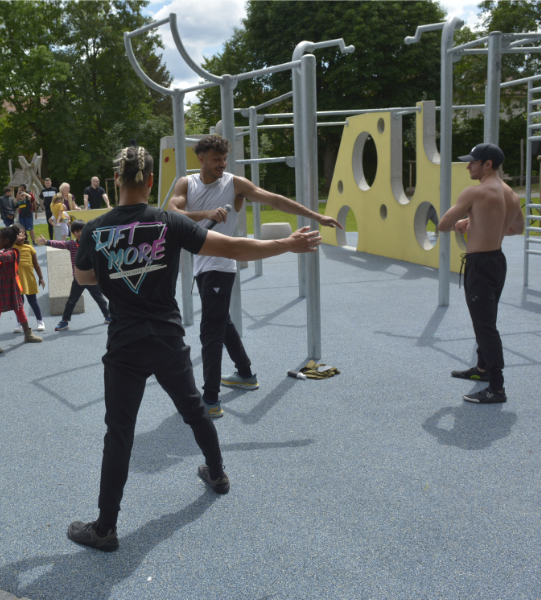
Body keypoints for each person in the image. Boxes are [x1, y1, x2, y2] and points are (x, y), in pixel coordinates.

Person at [66, 145, 323, 551]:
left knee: (119, 433)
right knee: (194, 410)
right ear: (152, 180)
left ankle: (105, 528)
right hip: (167, 339)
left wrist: (114, 266)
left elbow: (83, 278)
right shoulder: (169, 222)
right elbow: (232, 247)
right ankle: (217, 474)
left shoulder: (95, 230)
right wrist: (287, 244)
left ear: (116, 180)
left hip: (125, 346)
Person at [168, 135, 343, 418]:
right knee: (221, 321)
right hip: (202, 265)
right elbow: (172, 212)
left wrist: (316, 216)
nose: (222, 164)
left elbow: (275, 200)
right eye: (216, 160)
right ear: (200, 159)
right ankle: (246, 374)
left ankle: (210, 400)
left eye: (225, 159)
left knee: (210, 332)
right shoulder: (186, 183)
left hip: (221, 265)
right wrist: (206, 213)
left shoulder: (234, 184)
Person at [438, 143, 524, 404]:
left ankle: (497, 388)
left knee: (485, 325)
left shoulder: (475, 192)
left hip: (480, 265)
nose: (468, 166)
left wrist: (462, 220)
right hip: (497, 261)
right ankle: (483, 368)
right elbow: (516, 228)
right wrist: (476, 222)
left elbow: (443, 225)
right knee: (485, 319)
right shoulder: (511, 194)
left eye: (473, 162)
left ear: (488, 164)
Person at [36, 219, 111, 331]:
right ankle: (65, 321)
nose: (79, 233)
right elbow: (60, 244)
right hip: (78, 278)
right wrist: (47, 242)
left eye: (81, 230)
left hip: (91, 277)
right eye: (76, 231)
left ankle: (108, 316)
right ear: (73, 233)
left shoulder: (92, 243)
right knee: (72, 300)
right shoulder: (71, 244)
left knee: (100, 298)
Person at [0, 226, 42, 353]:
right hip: (3, 286)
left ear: (6, 241)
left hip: (8, 286)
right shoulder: (8, 252)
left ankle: (28, 334)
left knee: (19, 309)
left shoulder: (10, 253)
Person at [12, 223, 46, 333]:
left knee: (33, 302)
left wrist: (41, 278)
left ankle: (40, 321)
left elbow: (36, 264)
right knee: (19, 303)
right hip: (17, 281)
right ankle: (20, 322)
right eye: (19, 235)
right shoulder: (11, 249)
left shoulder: (30, 248)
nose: (23, 237)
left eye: (24, 234)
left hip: (29, 280)